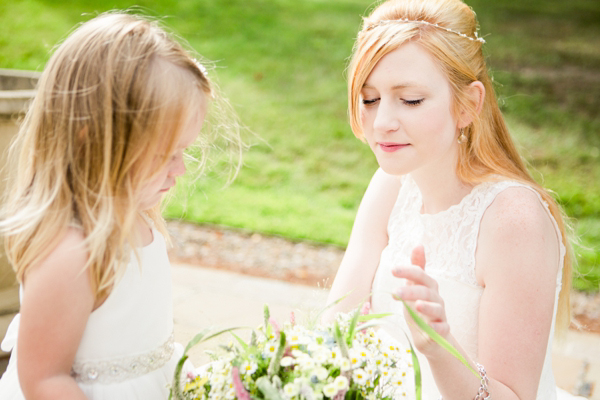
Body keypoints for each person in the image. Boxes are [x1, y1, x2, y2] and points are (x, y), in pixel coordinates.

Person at [324, 0, 584, 399]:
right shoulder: (389, 187)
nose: (382, 122)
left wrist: (439, 347)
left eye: (409, 99)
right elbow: (333, 335)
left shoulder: (514, 220)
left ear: (468, 105)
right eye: (369, 98)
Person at [0, 12, 241, 399]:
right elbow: (44, 380)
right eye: (165, 154)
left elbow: (146, 348)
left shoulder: (140, 222)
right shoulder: (70, 252)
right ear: (91, 140)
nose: (180, 168)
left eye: (183, 151)